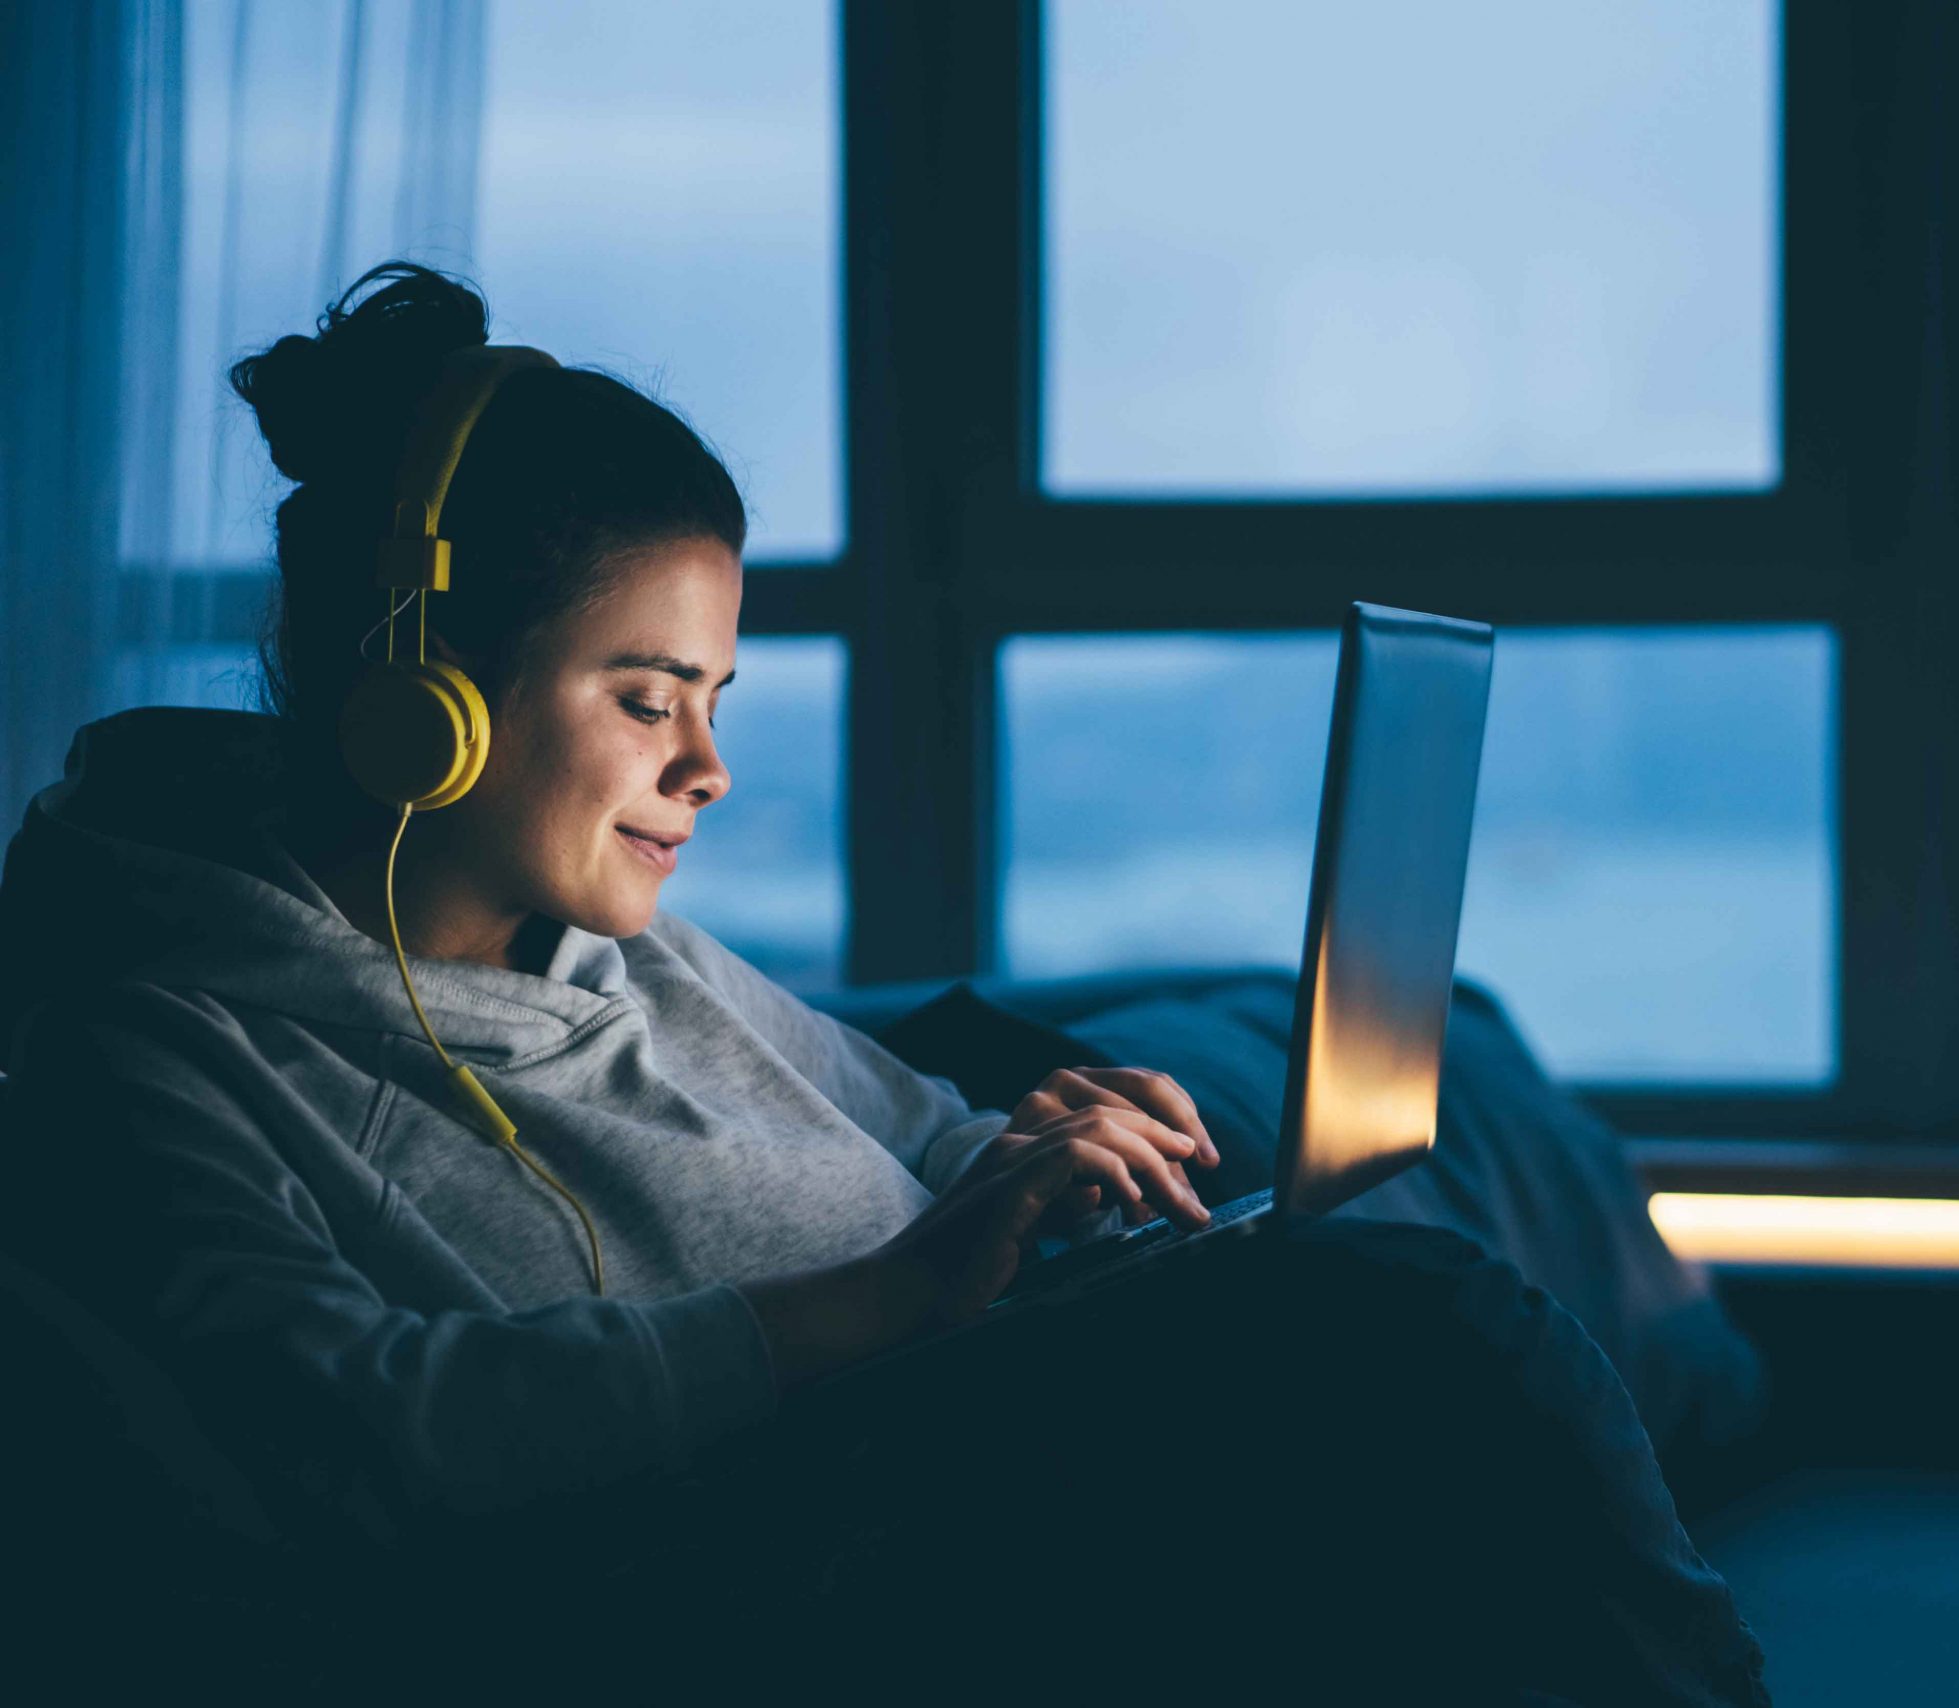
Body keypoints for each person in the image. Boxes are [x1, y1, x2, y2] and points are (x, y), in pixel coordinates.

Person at [0, 262, 1768, 1705]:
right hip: (754, 1564)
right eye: (644, 696)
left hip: (969, 1423)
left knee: (1389, 1313)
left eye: (716, 699)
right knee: (1439, 1332)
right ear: (422, 691)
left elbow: (919, 1122)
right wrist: (884, 1307)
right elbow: (363, 1421)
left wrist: (1042, 1140)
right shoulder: (156, 1036)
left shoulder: (629, 951)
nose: (705, 769)